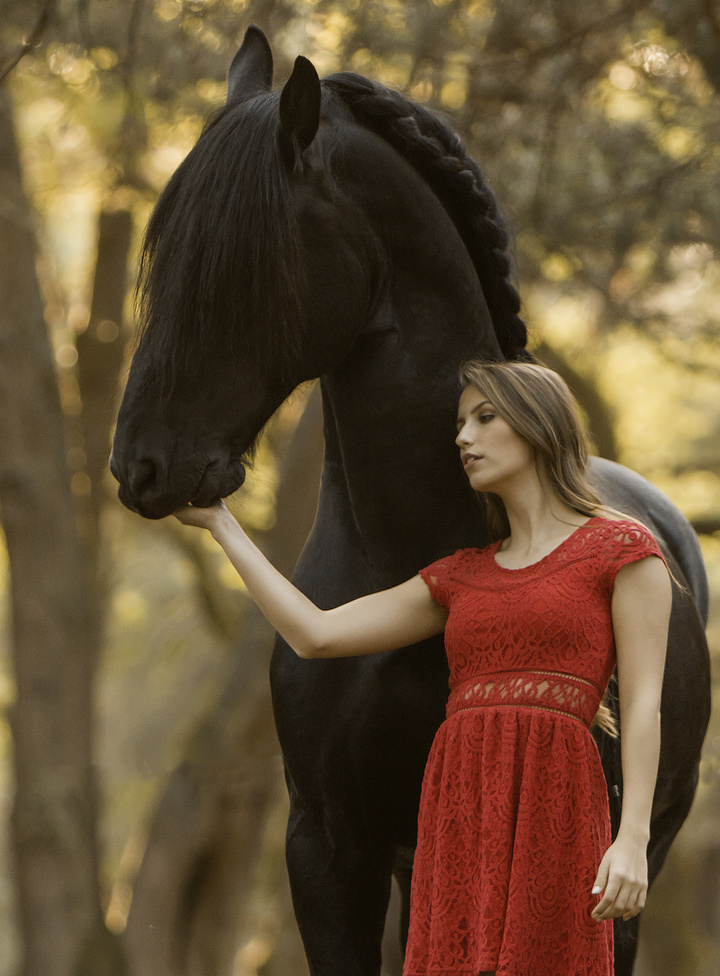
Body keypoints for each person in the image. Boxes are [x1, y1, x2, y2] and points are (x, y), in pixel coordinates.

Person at [172, 359, 671, 976]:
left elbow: (645, 704)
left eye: (485, 418)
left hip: (558, 802)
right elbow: (315, 634)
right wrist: (223, 525)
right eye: (460, 423)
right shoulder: (462, 574)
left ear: (539, 423)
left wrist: (633, 840)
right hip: (460, 805)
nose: (463, 437)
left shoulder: (622, 550)